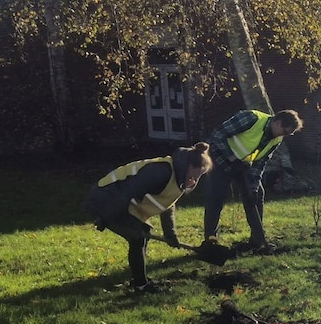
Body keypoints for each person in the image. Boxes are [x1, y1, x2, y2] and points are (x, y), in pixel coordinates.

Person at [83, 143, 214, 293]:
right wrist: (106, 217)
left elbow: (167, 206)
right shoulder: (161, 171)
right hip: (105, 198)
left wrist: (171, 236)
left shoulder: (180, 178)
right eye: (196, 174)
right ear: (189, 165)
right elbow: (127, 191)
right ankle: (141, 286)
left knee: (143, 232)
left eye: (200, 175)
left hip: (122, 202)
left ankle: (140, 280)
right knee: (137, 238)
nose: (196, 179)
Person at [203, 109, 303, 254]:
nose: (285, 135)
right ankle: (210, 241)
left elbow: (260, 162)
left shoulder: (277, 139)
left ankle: (257, 240)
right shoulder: (251, 119)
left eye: (288, 134)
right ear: (278, 122)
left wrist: (253, 187)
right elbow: (217, 135)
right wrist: (232, 158)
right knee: (216, 197)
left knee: (256, 196)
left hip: (240, 164)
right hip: (218, 158)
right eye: (285, 131)